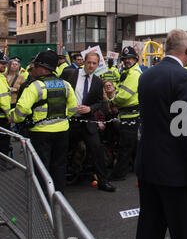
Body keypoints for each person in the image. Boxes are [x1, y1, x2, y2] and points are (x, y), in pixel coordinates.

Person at [132, 29, 187, 239]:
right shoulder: (185, 78)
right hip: (176, 174)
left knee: (148, 236)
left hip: (148, 167)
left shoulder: (146, 76)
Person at [12, 50, 78, 194]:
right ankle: (59, 198)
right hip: (62, 132)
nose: (32, 68)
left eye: (35, 65)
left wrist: (14, 117)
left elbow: (20, 111)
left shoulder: (34, 86)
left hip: (40, 134)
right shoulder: (65, 84)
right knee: (59, 166)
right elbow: (73, 108)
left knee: (41, 168)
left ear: (43, 67)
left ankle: (43, 200)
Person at [60, 51, 116, 193]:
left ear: (98, 65)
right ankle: (58, 184)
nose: (91, 66)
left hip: (87, 121)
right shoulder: (70, 74)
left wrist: (90, 109)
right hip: (69, 120)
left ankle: (103, 182)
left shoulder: (98, 81)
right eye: (89, 62)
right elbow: (59, 93)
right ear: (84, 62)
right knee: (61, 150)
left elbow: (99, 103)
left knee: (97, 149)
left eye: (94, 63)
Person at [108, 46, 142, 181]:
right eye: (125, 58)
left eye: (130, 58)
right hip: (128, 115)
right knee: (132, 145)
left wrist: (112, 101)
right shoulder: (128, 72)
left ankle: (118, 174)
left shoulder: (133, 74)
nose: (127, 61)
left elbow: (124, 96)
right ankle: (136, 168)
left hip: (130, 115)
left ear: (135, 59)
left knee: (125, 147)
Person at [0, 52, 11, 159]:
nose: (4, 66)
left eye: (5, 63)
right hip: (2, 117)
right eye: (1, 63)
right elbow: (3, 99)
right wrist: (9, 115)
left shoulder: (2, 77)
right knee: (3, 143)